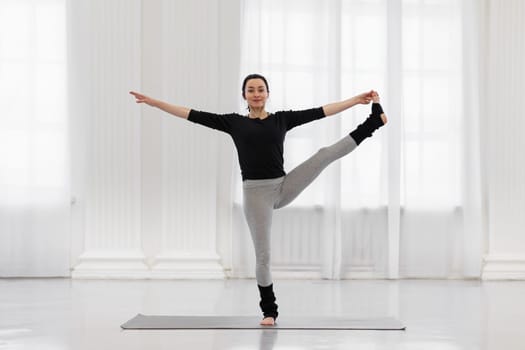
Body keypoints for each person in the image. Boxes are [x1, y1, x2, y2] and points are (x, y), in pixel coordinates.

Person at [130, 73, 387, 326]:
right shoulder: (234, 123)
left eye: (260, 89)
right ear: (244, 95)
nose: (256, 94)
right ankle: (270, 311)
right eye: (251, 90)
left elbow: (321, 111)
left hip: (283, 185)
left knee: (323, 154)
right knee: (263, 256)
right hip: (255, 195)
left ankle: (374, 122)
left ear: (267, 94)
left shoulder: (282, 120)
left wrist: (354, 100)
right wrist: (155, 103)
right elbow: (191, 114)